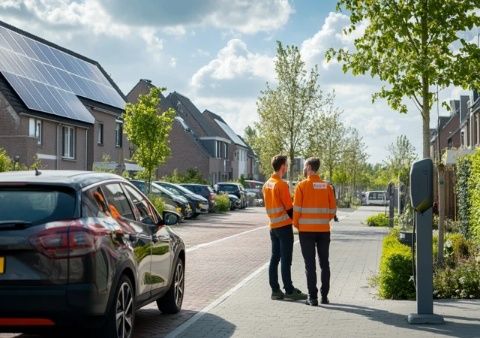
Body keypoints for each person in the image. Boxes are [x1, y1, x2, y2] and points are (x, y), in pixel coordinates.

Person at [263, 155, 307, 301]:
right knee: (286, 260)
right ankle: (289, 290)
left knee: (274, 258)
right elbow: (289, 209)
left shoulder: (267, 184)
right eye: (286, 165)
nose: (287, 167)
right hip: (284, 227)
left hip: (273, 227)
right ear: (282, 166)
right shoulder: (281, 185)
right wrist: (299, 223)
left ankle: (275, 290)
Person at [293, 157, 336, 306]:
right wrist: (323, 221)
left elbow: (296, 210)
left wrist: (297, 225)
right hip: (324, 230)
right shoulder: (327, 186)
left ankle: (312, 298)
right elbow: (332, 211)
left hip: (306, 231)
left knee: (309, 265)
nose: (304, 169)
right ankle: (324, 296)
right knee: (325, 264)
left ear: (310, 167)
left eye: (305, 166)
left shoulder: (301, 186)